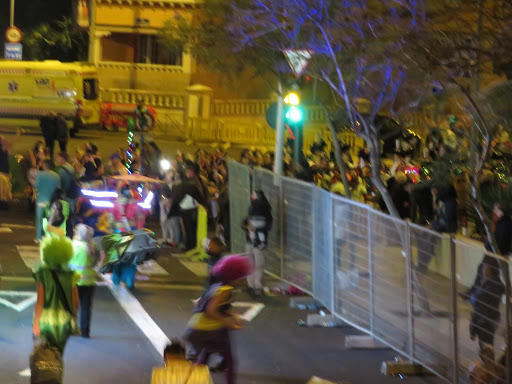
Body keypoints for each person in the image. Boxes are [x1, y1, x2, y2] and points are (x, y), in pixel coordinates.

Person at [183, 255, 253, 384]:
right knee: (230, 360)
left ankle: (188, 381)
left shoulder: (216, 286)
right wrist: (228, 322)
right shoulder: (226, 290)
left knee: (204, 359)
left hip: (196, 328)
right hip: (210, 330)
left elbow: (202, 304)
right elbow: (211, 310)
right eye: (241, 276)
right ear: (235, 276)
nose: (243, 279)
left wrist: (234, 315)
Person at [33, 234, 80, 353]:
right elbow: (75, 302)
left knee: (44, 355)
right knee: (58, 355)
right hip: (64, 321)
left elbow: (40, 302)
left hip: (46, 320)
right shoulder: (71, 275)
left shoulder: (43, 274)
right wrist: (73, 315)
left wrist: (36, 324)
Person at [69, 224, 99, 338]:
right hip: (89, 281)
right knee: (86, 307)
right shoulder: (93, 246)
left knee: (72, 306)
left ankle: (71, 328)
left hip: (74, 281)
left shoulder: (73, 245)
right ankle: (85, 332)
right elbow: (96, 262)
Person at [469, 262, 505, 352]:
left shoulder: (493, 284)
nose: (483, 269)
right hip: (484, 318)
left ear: (490, 270)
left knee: (486, 347)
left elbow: (477, 298)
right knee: (485, 346)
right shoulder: (489, 282)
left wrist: (473, 297)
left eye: (485, 267)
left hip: (486, 319)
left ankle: (488, 364)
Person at [243, 190, 272, 297]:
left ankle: (255, 285)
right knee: (256, 262)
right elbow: (244, 222)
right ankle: (254, 285)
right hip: (258, 240)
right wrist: (248, 226)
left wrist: (254, 228)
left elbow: (268, 226)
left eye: (253, 195)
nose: (252, 196)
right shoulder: (259, 210)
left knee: (255, 262)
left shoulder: (261, 210)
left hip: (254, 240)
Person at [35, 160, 62, 241]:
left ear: (44, 165)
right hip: (52, 201)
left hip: (41, 200)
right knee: (50, 220)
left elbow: (36, 186)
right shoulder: (56, 176)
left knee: (39, 219)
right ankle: (48, 236)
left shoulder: (40, 174)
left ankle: (39, 237)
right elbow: (59, 189)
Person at [0, 130, 20, 210]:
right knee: (4, 190)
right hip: (3, 172)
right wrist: (18, 133)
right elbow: (13, 141)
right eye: (3, 139)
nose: (5, 139)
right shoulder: (3, 148)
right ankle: (3, 205)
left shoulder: (3, 147)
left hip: (2, 172)